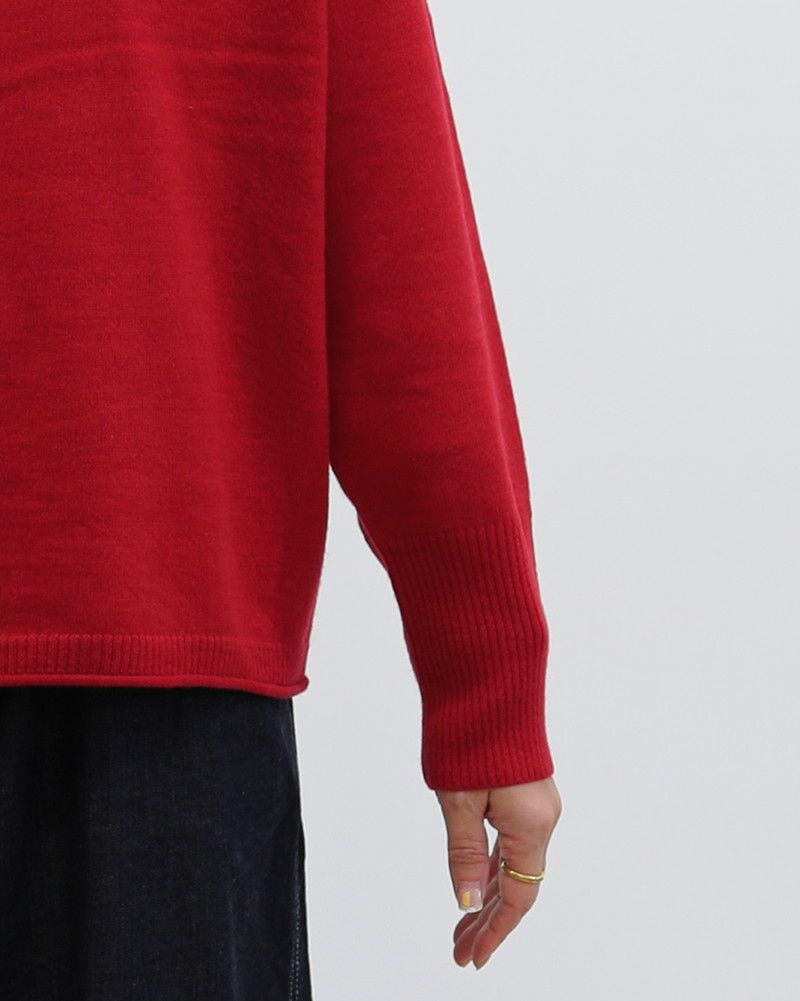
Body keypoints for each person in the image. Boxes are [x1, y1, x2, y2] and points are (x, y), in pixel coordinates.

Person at [0, 0, 562, 996]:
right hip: (163, 684)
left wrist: (490, 691)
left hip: (161, 679)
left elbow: (402, 279)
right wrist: (489, 697)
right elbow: (404, 289)